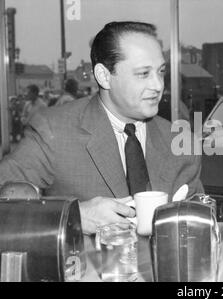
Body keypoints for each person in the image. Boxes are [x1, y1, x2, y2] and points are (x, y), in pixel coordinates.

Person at [0, 21, 203, 235]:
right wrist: (73, 216)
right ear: (104, 76)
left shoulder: (181, 143)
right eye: (143, 74)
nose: (158, 85)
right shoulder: (53, 131)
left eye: (161, 72)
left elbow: (199, 225)